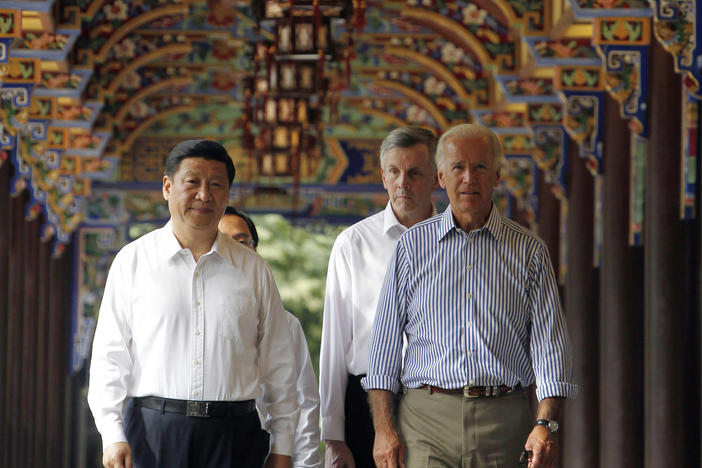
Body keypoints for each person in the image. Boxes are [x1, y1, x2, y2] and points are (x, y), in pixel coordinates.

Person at [362, 123, 578, 468]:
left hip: (503, 420)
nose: (469, 178)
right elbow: (383, 352)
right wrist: (384, 430)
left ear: (497, 175)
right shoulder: (412, 248)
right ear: (441, 177)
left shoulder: (529, 251)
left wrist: (545, 424)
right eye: (458, 168)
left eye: (479, 167)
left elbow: (550, 348)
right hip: (425, 419)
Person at [88, 139, 298, 468]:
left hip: (235, 436)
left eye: (216, 185)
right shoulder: (134, 261)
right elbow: (109, 356)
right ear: (168, 187)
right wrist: (112, 433)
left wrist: (283, 444)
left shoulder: (253, 269)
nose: (204, 195)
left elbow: (279, 363)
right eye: (192, 183)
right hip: (154, 431)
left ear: (228, 194)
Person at [319, 127, 439, 467]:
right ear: (382, 176)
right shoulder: (353, 243)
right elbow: (334, 344)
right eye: (394, 172)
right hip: (366, 402)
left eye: (415, 172)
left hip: (437, 399)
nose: (404, 182)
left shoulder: (457, 243)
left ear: (436, 176)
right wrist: (332, 436)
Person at [218, 206, 323, 468]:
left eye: (243, 242)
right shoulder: (190, 321)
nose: (235, 253)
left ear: (256, 253)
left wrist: (307, 463)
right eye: (222, 243)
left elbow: (304, 402)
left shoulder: (286, 324)